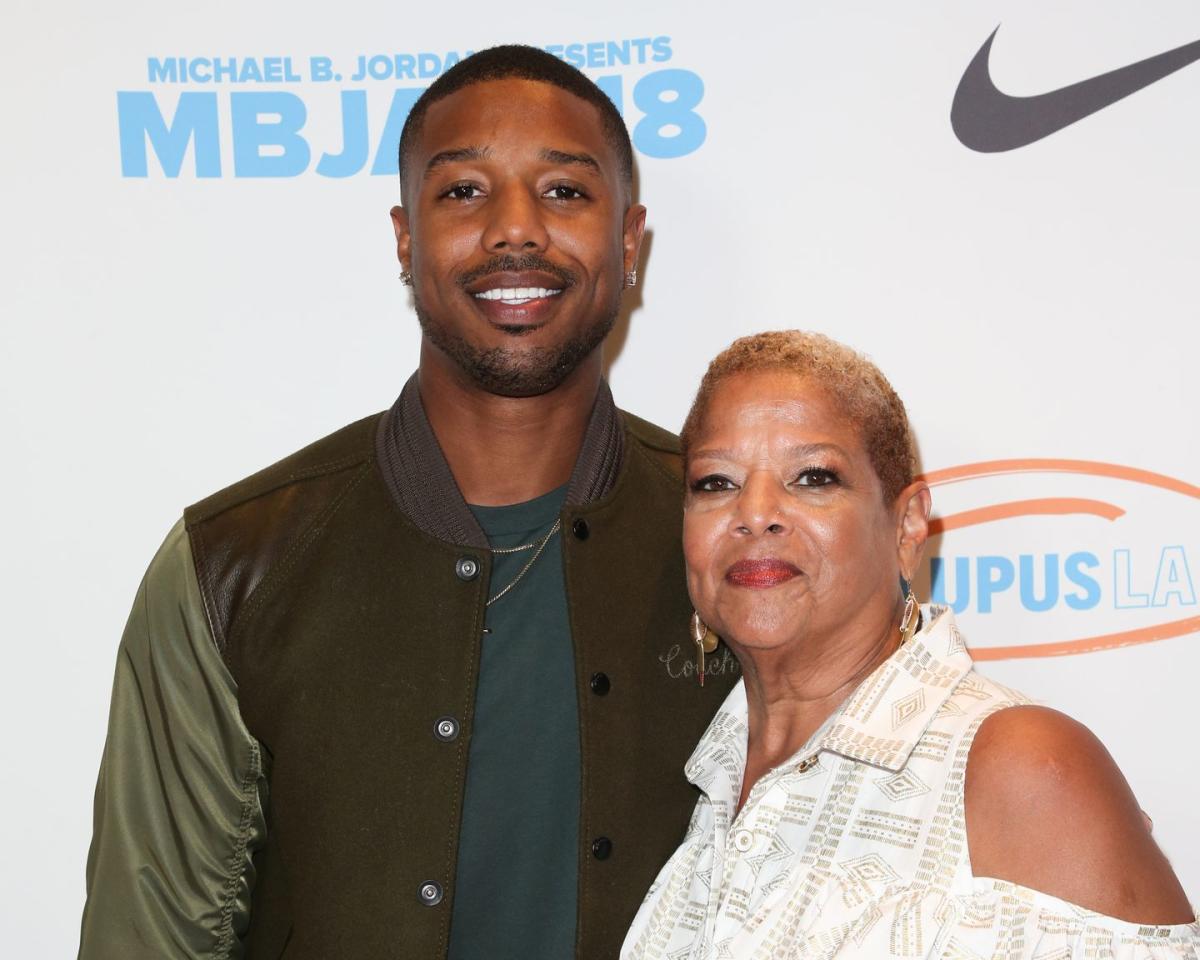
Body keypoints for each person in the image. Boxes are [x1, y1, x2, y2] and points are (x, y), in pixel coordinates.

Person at [78, 46, 737, 960]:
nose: (516, 231)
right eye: (464, 191)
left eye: (565, 193)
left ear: (627, 242)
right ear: (404, 238)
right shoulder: (231, 566)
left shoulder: (737, 541)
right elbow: (148, 938)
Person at [622, 331, 1197, 958]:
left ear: (907, 526)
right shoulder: (700, 781)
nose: (755, 512)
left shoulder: (1023, 769)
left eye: (813, 477)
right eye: (715, 483)